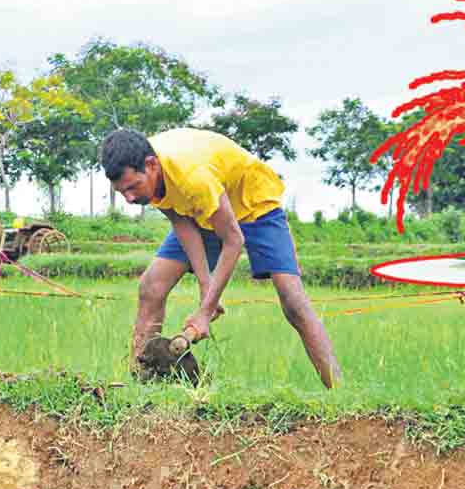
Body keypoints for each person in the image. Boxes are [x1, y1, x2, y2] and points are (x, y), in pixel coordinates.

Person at [100, 127, 341, 388]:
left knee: (293, 300)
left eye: (133, 187)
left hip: (254, 204)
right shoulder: (148, 175)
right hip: (205, 210)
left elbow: (233, 239)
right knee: (151, 287)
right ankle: (140, 384)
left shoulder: (192, 176)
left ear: (151, 165)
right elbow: (182, 223)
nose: (129, 198)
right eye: (122, 191)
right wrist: (206, 286)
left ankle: (338, 390)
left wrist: (204, 313)